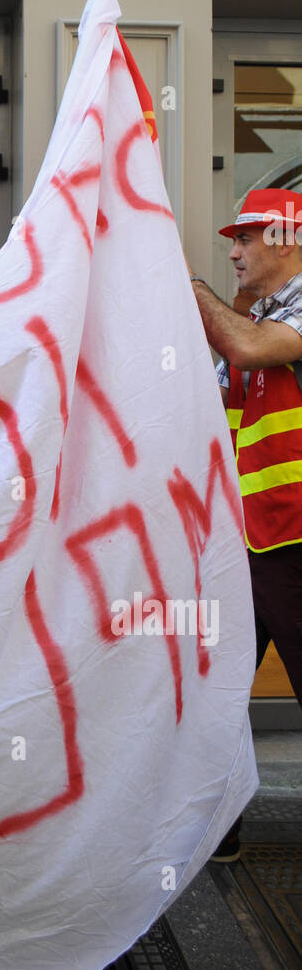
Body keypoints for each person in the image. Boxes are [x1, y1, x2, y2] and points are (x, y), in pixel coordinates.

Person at [188, 187, 302, 860]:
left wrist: (188, 286)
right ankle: (215, 835)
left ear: (286, 239)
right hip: (251, 542)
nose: (232, 251)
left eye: (246, 238)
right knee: (214, 699)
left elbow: (248, 350)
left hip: (293, 541)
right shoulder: (259, 311)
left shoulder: (269, 321)